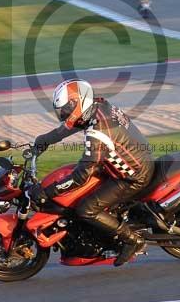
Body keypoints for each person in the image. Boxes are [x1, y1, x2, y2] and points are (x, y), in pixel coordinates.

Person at [28, 79, 154, 266]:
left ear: (77, 102)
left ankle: (132, 240)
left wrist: (48, 192)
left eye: (66, 109)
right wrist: (44, 140)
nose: (63, 114)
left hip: (132, 176)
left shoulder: (98, 131)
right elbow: (71, 126)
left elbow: (81, 175)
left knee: (86, 209)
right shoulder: (98, 106)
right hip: (130, 162)